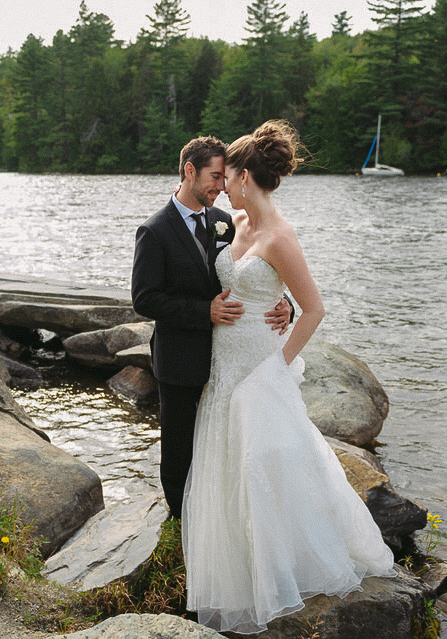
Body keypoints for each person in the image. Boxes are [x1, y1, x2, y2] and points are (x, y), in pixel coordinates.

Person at [181, 121, 396, 634]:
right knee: (226, 462)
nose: (222, 183)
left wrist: (277, 367)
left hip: (258, 366)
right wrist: (276, 302)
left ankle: (286, 568)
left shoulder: (280, 234)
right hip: (223, 365)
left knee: (266, 465)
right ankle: (234, 574)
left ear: (246, 175)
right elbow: (261, 288)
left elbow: (315, 308)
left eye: (227, 174)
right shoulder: (232, 220)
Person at [131, 136, 292, 520]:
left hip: (228, 356)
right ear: (190, 172)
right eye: (215, 177)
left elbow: (257, 272)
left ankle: (220, 516)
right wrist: (204, 311)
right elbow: (144, 300)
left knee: (222, 441)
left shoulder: (225, 222)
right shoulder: (154, 231)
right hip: (180, 356)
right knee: (179, 445)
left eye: (225, 178)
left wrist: (285, 304)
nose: (222, 186)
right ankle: (179, 520)